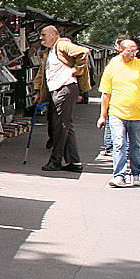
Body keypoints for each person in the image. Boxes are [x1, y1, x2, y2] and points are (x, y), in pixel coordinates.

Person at [97, 39, 140, 187]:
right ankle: (119, 175)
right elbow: (105, 93)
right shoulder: (112, 67)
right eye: (130, 51)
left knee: (136, 146)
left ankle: (135, 173)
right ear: (121, 50)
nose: (133, 54)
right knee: (119, 143)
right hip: (117, 112)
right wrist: (103, 115)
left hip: (137, 114)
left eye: (135, 51)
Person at [33, 25, 92, 172]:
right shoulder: (50, 50)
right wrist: (38, 90)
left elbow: (83, 52)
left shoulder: (62, 45)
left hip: (64, 88)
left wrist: (76, 70)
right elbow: (43, 72)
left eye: (44, 35)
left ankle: (56, 160)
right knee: (64, 125)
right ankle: (74, 161)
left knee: (60, 125)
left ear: (53, 35)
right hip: (58, 89)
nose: (41, 38)